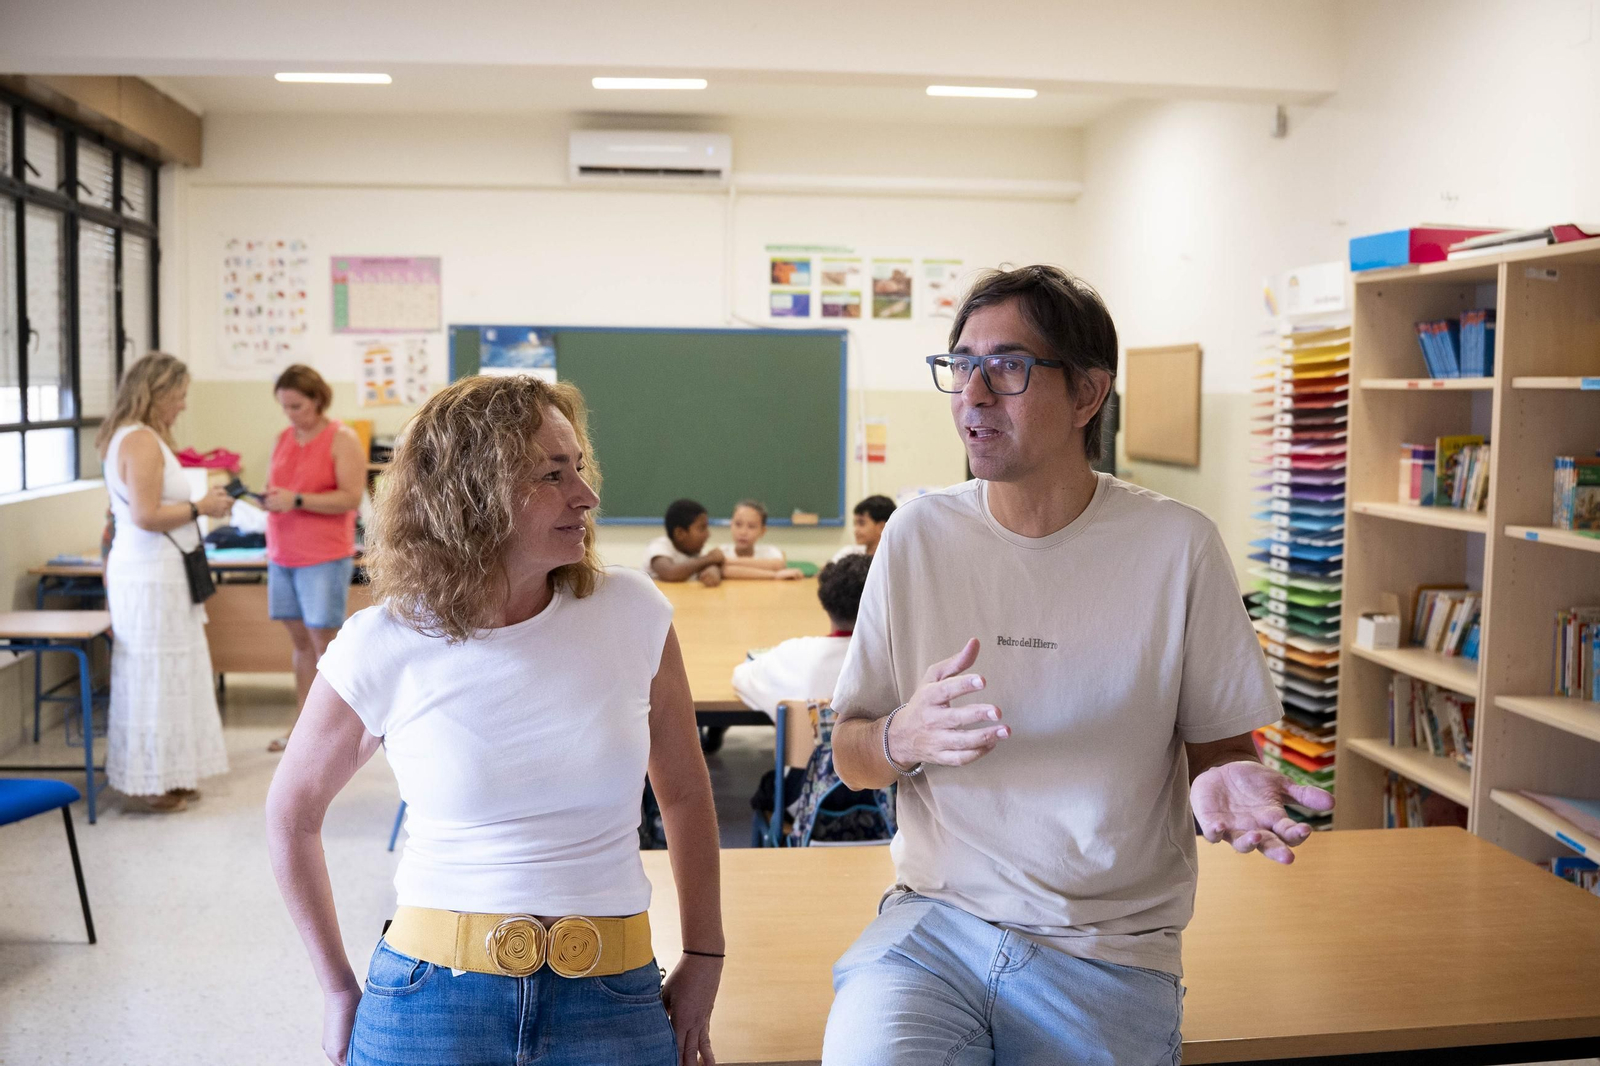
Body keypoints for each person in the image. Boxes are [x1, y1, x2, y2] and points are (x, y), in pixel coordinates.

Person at [821, 265, 1335, 1065]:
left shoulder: (1177, 547)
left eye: (1009, 366)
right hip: (936, 928)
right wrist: (901, 737)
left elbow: (1220, 752)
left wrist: (1225, 776)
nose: (974, 393)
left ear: (1089, 395)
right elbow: (851, 755)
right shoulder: (916, 536)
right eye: (962, 365)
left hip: (1110, 951)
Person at [265, 374, 723, 1066]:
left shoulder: (633, 612)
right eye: (552, 474)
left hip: (612, 997)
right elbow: (290, 816)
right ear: (472, 493)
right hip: (430, 1002)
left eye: (578, 469)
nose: (587, 497)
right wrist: (336, 988)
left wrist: (704, 954)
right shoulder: (384, 641)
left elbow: (685, 795)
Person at [96, 352, 234, 813]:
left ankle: (169, 773)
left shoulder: (143, 437)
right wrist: (202, 508)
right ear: (155, 393)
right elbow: (145, 515)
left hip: (161, 571)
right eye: (178, 396)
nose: (182, 405)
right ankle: (151, 781)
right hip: (149, 573)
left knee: (172, 671)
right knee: (152, 674)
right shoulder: (138, 440)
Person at [262, 364, 364, 752]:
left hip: (323, 554)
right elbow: (278, 488)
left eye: (297, 406)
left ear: (318, 400)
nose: (290, 414)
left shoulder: (342, 438)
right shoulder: (282, 439)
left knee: (326, 642)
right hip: (281, 552)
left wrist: (298, 500)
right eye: (285, 407)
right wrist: (269, 499)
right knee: (300, 641)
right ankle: (303, 725)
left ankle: (335, 730)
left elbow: (351, 497)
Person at [732, 552, 871, 712]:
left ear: (825, 602)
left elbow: (740, 678)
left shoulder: (793, 655)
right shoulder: (893, 662)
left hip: (803, 737)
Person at [645, 498, 724, 586]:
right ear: (680, 533)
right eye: (702, 528)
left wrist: (712, 570)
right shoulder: (659, 546)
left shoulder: (693, 552)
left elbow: (706, 567)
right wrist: (710, 558)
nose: (707, 534)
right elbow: (670, 573)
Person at [719, 500, 802, 581]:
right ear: (731, 525)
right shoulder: (722, 551)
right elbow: (725, 571)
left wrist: (725, 561)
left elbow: (778, 565)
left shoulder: (770, 551)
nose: (743, 532)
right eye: (738, 524)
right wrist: (774, 575)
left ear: (762, 531)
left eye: (751, 526)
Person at [829, 495, 895, 564]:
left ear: (882, 527)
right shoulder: (848, 554)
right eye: (855, 524)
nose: (856, 530)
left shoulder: (893, 558)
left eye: (861, 523)